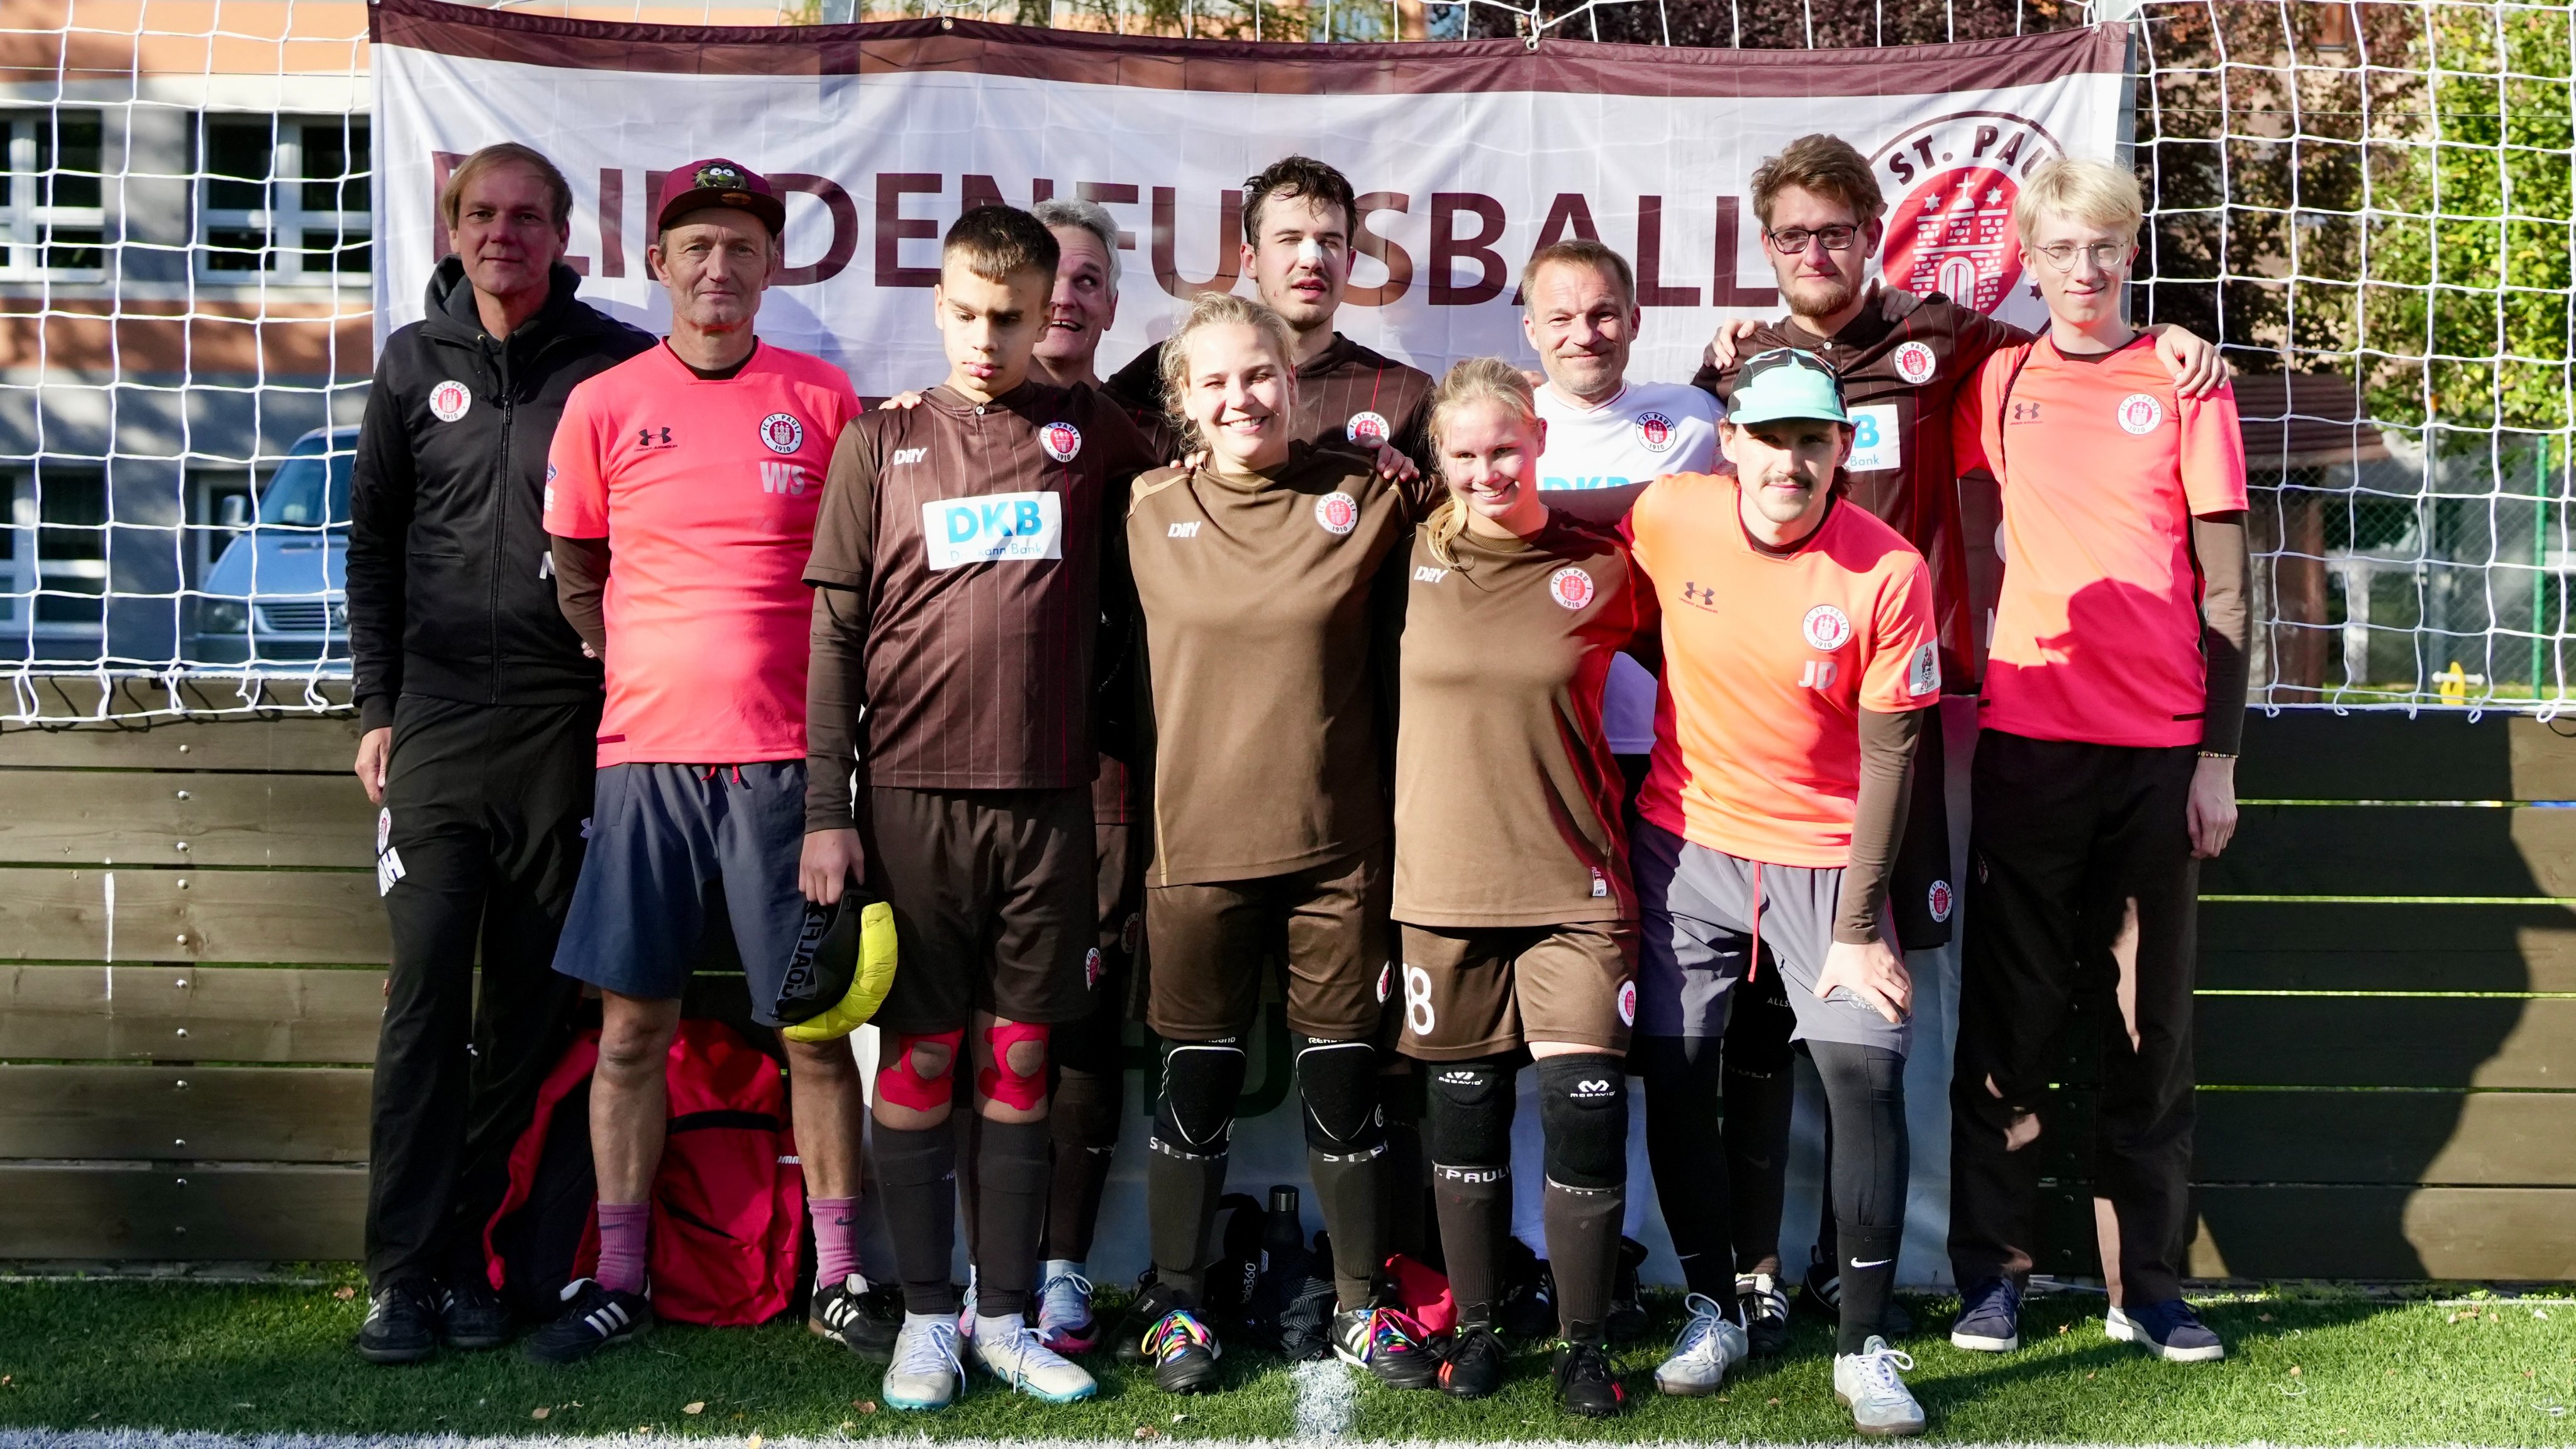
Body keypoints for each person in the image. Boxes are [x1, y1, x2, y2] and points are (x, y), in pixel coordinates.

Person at [1689, 133, 2226, 1356]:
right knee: (1773, 1011)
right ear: (1765, 249)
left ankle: (1886, 1266)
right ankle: (1766, 1270)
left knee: (1887, 984)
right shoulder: (1743, 373)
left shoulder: (1952, 350)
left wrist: (2172, 344)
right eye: (1791, 236)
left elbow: (2077, 360)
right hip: (1759, 745)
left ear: (1871, 231)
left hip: (1909, 733)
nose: (1814, 253)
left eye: (1834, 230)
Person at [802, 204, 1162, 1409]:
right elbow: (835, 631)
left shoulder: (1096, 434)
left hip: (1049, 804)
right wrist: (824, 807)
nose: (988, 337)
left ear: (1045, 309)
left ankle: (1002, 1316)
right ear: (939, 304)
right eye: (966, 312)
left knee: (1020, 1062)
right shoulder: (881, 439)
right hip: (905, 803)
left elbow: (1205, 494)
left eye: (1010, 316)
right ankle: (921, 1320)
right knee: (917, 1060)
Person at [525, 159, 868, 1366]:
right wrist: (639, 669)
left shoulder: (825, 401)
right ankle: (617, 1274)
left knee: (815, 1032)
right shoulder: (604, 404)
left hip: (786, 770)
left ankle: (840, 1272)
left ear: (773, 265)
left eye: (742, 247)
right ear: (659, 263)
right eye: (697, 247)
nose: (719, 267)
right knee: (631, 1031)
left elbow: (858, 591)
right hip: (644, 767)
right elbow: (575, 566)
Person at [345, 142, 652, 1365]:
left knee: (526, 1013)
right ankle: (399, 1275)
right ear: (455, 226)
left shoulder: (618, 366)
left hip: (563, 737)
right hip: (431, 736)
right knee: (423, 1005)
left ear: (562, 235)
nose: (502, 234)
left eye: (527, 217)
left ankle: (472, 1255)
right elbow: (371, 546)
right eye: (481, 214)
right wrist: (377, 708)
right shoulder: (412, 365)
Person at [1943, 158, 2248, 1365]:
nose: (2086, 269)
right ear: (2029, 255)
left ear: (2131, 253)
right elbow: (1973, 534)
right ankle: (1994, 1276)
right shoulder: (1998, 379)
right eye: (2064, 247)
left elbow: (2225, 588)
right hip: (2027, 744)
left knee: (2149, 1025)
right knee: (2008, 1020)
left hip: (2159, 756)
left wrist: (2217, 757)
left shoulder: (2184, 383)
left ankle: (2151, 1287)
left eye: (2106, 247)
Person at [1116, 291, 1443, 1395]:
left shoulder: (1368, 495)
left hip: (1336, 854)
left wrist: (1416, 471)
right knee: (1194, 1088)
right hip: (1194, 849)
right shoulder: (1142, 505)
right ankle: (1175, 1302)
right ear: (1182, 403)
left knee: (1345, 1087)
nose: (1240, 396)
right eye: (1213, 381)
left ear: (1292, 382)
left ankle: (1363, 1301)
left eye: (1257, 374)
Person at [1628, 348, 1941, 1433]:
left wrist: (1861, 927)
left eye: (1813, 440)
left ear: (1841, 449)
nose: (1790, 462)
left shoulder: (1889, 569)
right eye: (1770, 437)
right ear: (1731, 443)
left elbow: (1897, 755)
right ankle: (1713, 1304)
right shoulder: (1669, 513)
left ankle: (1863, 1342)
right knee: (1674, 1071)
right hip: (1686, 844)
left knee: (1865, 1073)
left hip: (1828, 864)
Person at [1392, 357, 1653, 1418]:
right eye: (1464, 453)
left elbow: (1715, 665)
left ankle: (1585, 1343)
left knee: (1584, 1117)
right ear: (1437, 458)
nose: (1487, 468)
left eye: (1505, 446)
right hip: (1440, 889)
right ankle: (1483, 1325)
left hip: (1576, 887)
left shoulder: (1605, 562)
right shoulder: (1399, 556)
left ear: (1539, 437)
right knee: (1466, 1118)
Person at [1020, 196, 1165, 1357]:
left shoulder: (1132, 438)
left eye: (1086, 281)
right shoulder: (916, 427)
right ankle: (968, 1267)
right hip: (956, 781)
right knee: (973, 1028)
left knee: (1081, 1024)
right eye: (1047, 277)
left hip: (1102, 776)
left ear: (1113, 305)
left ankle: (1061, 1271)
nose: (1065, 298)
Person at [1106, 155, 1433, 462]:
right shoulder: (1178, 369)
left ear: (1349, 264)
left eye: (1329, 243)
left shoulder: (1405, 396)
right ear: (1250, 260)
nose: (1312, 260)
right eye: (1290, 239)